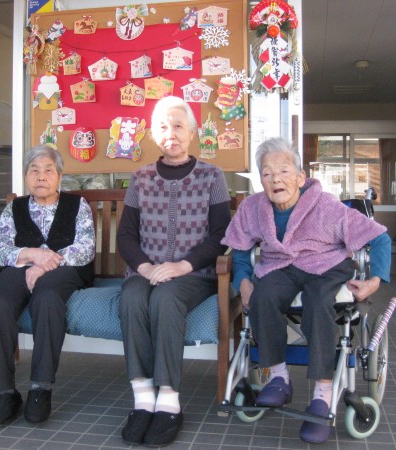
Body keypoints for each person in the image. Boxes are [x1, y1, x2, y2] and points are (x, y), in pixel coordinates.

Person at [221, 137, 391, 444]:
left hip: (327, 265)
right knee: (263, 294)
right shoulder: (253, 208)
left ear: (301, 177)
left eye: (284, 171)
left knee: (318, 301)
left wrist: (374, 281)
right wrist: (243, 280)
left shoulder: (326, 207)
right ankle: (278, 378)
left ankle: (322, 395)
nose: (275, 179)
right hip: (281, 267)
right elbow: (240, 250)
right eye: (267, 173)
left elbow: (379, 238)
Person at [117, 96, 231, 447]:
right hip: (146, 272)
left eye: (179, 126)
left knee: (166, 298)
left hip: (194, 276)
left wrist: (183, 265)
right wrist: (145, 267)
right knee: (132, 297)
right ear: (154, 134)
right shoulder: (140, 178)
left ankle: (168, 400)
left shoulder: (212, 176)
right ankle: (142, 398)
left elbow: (220, 234)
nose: (172, 133)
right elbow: (126, 235)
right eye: (164, 127)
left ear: (192, 132)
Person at [0, 144, 95, 427]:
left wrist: (44, 264)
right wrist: (32, 255)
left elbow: (85, 248)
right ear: (26, 176)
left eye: (48, 170)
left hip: (64, 269)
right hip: (20, 267)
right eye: (34, 170)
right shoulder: (14, 208)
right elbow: (2, 250)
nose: (41, 176)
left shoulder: (78, 205)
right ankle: (4, 391)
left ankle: (40, 388)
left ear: (59, 176)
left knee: (47, 297)